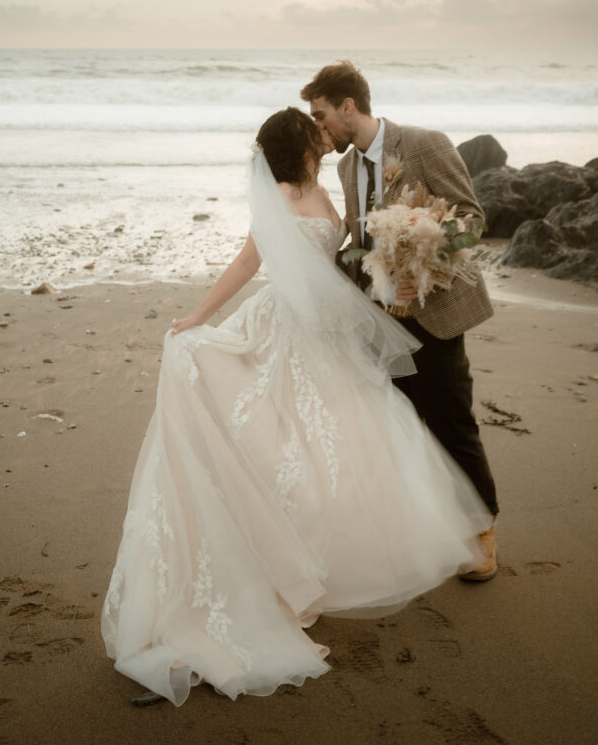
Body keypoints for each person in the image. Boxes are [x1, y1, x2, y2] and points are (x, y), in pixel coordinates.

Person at [101, 108, 490, 707]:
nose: (324, 137)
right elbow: (247, 262)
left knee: (348, 445)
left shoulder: (324, 185)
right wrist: (199, 318)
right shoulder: (280, 194)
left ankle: (330, 559)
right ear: (299, 144)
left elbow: (346, 256)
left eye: (323, 127)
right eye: (314, 133)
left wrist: (397, 263)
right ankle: (279, 566)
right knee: (291, 446)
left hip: (333, 332)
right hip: (287, 328)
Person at [301, 61, 499, 581]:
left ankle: (482, 530)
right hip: (379, 320)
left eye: (321, 115)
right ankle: (421, 532)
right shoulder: (345, 170)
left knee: (453, 419)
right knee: (401, 427)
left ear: (348, 107)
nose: (319, 127)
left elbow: (473, 219)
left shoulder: (424, 144)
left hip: (435, 311)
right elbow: (361, 247)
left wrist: (424, 260)